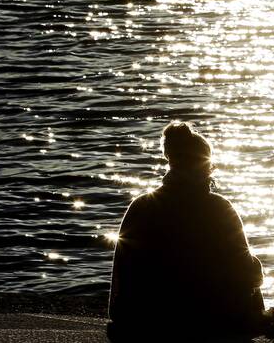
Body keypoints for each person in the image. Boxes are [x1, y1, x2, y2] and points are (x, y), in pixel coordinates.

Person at [107, 121, 265, 341]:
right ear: (206, 167)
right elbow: (248, 274)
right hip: (209, 324)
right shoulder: (219, 208)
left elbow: (123, 277)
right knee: (249, 276)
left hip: (144, 324)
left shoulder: (141, 206)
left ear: (171, 163)